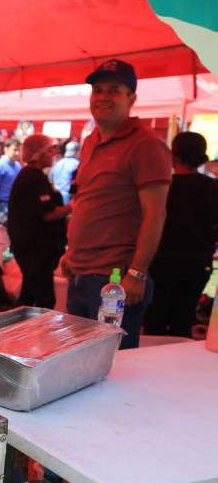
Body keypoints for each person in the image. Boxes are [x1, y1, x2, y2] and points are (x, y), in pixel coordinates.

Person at [61, 59, 172, 349]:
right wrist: (71, 253)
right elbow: (87, 199)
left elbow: (155, 213)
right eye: (97, 90)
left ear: (131, 99)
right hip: (81, 272)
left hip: (114, 280)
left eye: (113, 90)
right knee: (76, 360)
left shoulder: (145, 143)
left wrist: (137, 273)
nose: (102, 97)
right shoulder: (90, 140)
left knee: (111, 367)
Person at [143, 132, 218, 338]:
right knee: (183, 319)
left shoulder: (162, 186)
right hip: (197, 261)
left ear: (173, 154)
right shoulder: (212, 187)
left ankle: (152, 364)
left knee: (154, 319)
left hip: (160, 259)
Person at [8, 134, 71, 308]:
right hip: (35, 250)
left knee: (28, 296)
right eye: (50, 150)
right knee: (45, 300)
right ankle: (35, 333)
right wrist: (75, 206)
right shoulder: (32, 178)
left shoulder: (33, 176)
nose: (53, 154)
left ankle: (16, 331)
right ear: (40, 154)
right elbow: (48, 213)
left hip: (33, 249)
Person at [0, 138, 22, 221]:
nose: (17, 153)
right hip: (1, 206)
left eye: (19, 150)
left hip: (13, 205)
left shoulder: (18, 166)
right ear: (6, 149)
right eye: (14, 150)